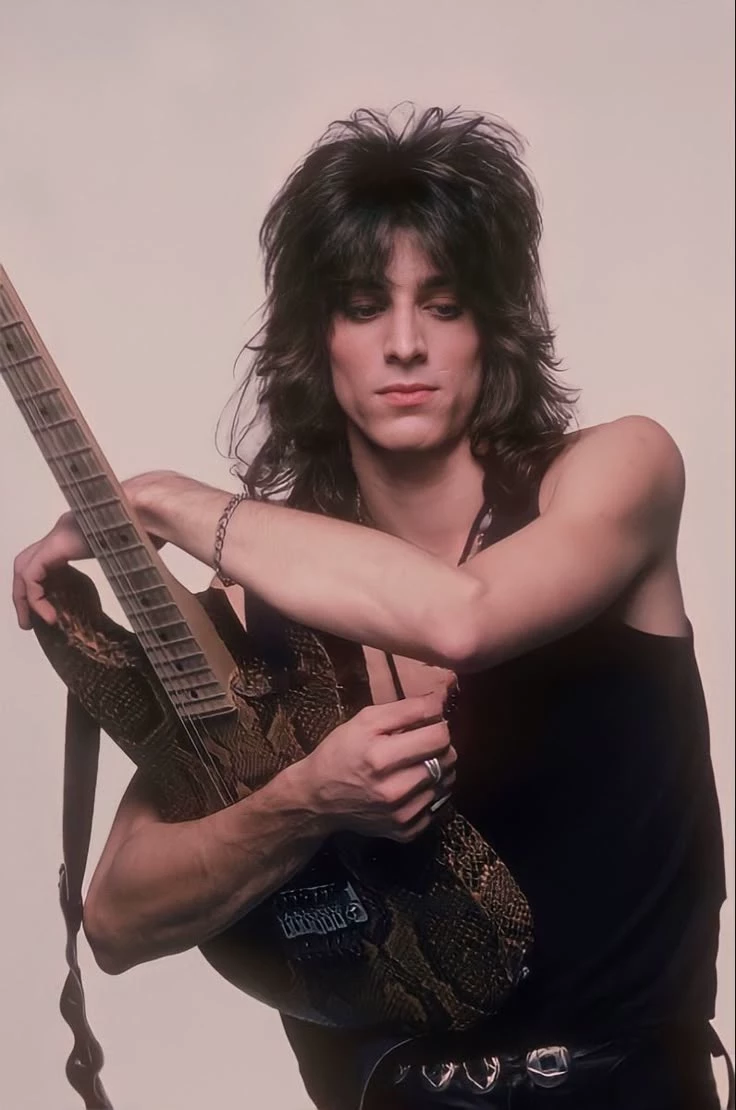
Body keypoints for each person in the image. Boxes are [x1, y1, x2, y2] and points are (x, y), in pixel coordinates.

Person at [11, 106, 728, 1109]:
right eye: (361, 306)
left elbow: (463, 618)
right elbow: (118, 919)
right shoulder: (251, 613)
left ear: (493, 329)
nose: (403, 344)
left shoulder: (616, 474)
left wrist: (166, 500)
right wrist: (301, 801)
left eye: (444, 305)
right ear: (317, 341)